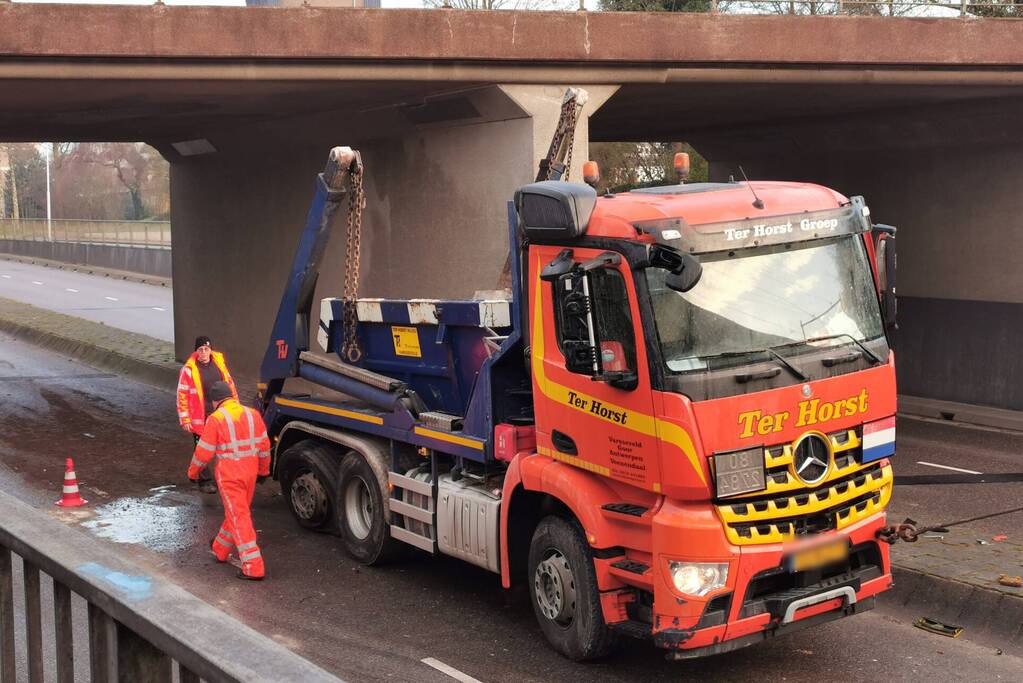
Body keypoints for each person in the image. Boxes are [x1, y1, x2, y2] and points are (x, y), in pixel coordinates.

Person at [188, 381, 271, 581]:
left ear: (215, 401)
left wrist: (193, 473)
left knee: (238, 517)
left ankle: (253, 566)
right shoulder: (253, 415)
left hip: (230, 476)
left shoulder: (216, 419)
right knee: (237, 512)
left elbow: (204, 453)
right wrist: (263, 471)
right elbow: (264, 446)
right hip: (250, 473)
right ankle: (220, 548)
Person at [177, 335, 237, 493]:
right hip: (201, 419)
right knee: (202, 450)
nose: (203, 352)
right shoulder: (189, 370)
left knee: (224, 447)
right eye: (200, 350)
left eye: (206, 349)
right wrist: (185, 418)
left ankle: (224, 477)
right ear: (196, 351)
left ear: (211, 350)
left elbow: (230, 385)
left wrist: (235, 407)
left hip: (221, 415)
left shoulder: (219, 363)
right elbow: (182, 395)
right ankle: (204, 480)